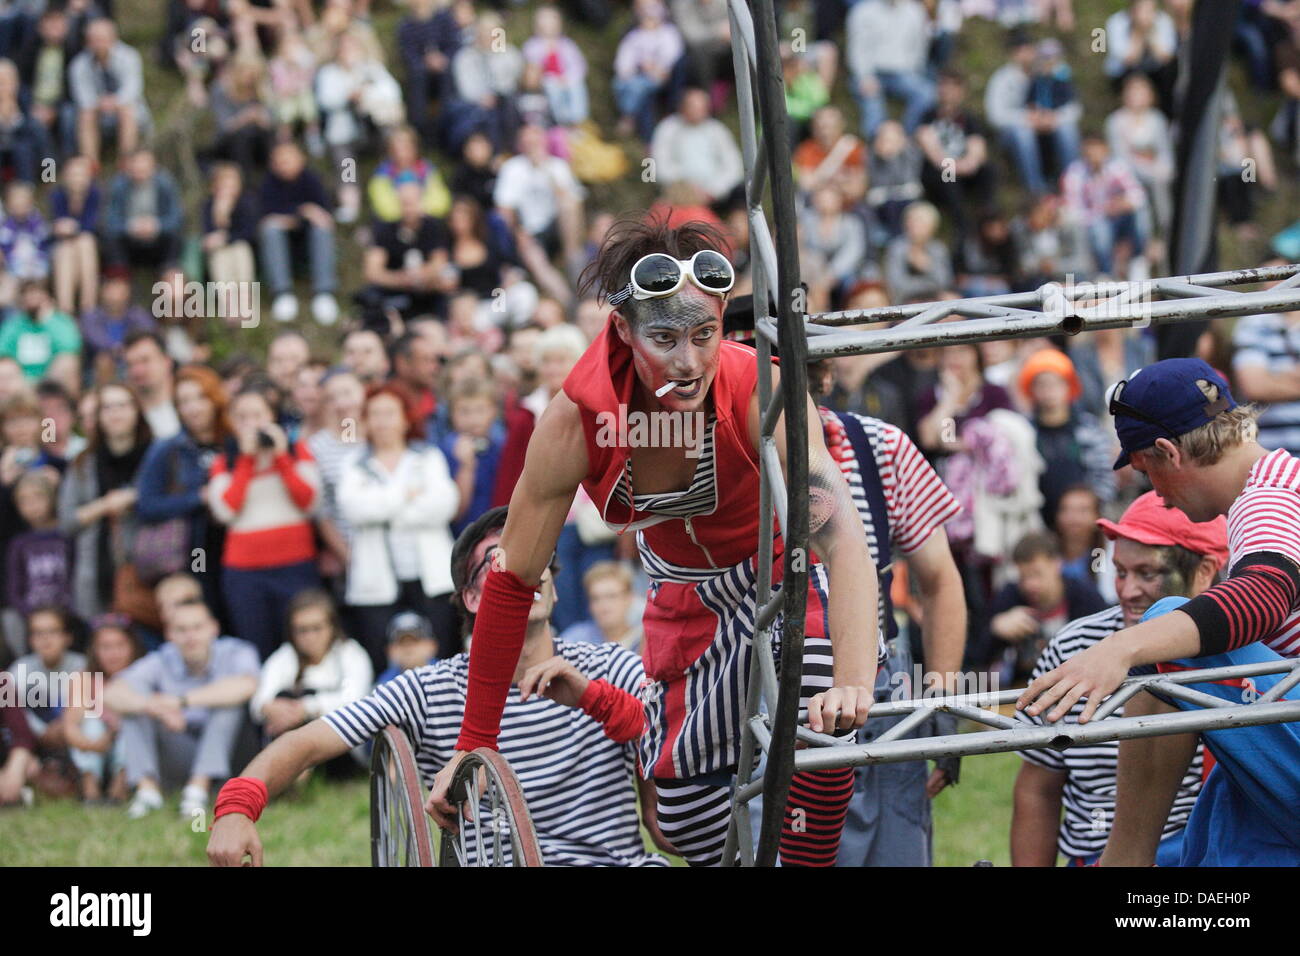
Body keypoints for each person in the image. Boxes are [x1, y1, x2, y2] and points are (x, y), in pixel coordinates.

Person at [424, 216, 880, 868]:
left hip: (780, 573)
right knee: (683, 824)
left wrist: (853, 683)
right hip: (683, 597)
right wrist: (475, 741)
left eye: (705, 335)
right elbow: (513, 577)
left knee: (823, 717)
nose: (689, 362)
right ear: (623, 332)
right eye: (664, 338)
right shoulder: (574, 421)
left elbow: (842, 543)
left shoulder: (761, 390)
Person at [207, 506, 671, 867]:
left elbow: (677, 747)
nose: (523, 567)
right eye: (500, 559)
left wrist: (597, 701)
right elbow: (306, 743)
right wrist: (236, 807)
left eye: (534, 555)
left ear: (550, 582)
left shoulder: (610, 667)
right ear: (472, 597)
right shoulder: (429, 689)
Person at [1018, 358, 1300, 865]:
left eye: (1148, 473)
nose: (1159, 498)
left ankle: (1126, 860)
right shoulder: (1281, 480)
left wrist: (1121, 647)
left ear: (1168, 452)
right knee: (1225, 811)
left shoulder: (1267, 501)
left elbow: (1265, 593)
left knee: (1167, 624)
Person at [1011, 491, 1217, 866]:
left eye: (1148, 573)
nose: (1128, 590)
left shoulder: (1241, 653)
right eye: (1120, 572)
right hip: (1097, 853)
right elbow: (1038, 788)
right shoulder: (1073, 647)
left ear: (1204, 572)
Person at [338, 382, 460, 669]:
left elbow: (444, 504)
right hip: (375, 586)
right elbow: (354, 509)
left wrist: (384, 510)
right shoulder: (353, 463)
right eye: (375, 414)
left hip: (432, 581)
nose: (382, 422)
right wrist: (405, 495)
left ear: (406, 417)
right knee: (383, 662)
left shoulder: (427, 457)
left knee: (443, 659)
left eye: (390, 413)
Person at [106, 597, 260, 820]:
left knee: (228, 704)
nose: (190, 636)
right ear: (169, 634)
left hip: (231, 754)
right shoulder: (161, 659)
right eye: (182, 629)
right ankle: (147, 793)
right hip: (179, 750)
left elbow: (246, 686)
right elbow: (112, 693)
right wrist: (153, 706)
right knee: (133, 706)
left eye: (197, 627)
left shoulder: (237, 651)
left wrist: (180, 701)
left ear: (213, 628)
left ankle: (198, 790)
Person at [207, 383, 321, 661]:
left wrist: (281, 457)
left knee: (303, 642)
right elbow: (226, 511)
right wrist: (246, 461)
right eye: (242, 417)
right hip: (246, 573)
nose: (250, 424)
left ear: (271, 417)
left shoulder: (297, 451)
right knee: (257, 647)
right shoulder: (226, 462)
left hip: (296, 566)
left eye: (257, 415)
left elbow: (309, 502)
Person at [135, 365, 230, 619]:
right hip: (195, 551)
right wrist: (198, 498)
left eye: (200, 398)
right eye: (184, 401)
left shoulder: (234, 442)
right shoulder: (168, 449)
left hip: (237, 549)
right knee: (206, 614)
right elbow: (146, 505)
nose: (193, 408)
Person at [58, 383, 152, 621]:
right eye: (107, 407)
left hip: (149, 568)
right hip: (96, 572)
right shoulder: (83, 463)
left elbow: (171, 503)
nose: (115, 413)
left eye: (122, 405)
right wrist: (104, 505)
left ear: (136, 410)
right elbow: (66, 522)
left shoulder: (157, 455)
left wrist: (135, 498)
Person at [249, 589, 372, 744]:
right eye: (302, 630)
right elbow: (259, 701)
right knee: (283, 698)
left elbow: (354, 700)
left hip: (342, 742)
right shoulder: (285, 656)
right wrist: (269, 708)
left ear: (332, 626)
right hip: (291, 731)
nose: (310, 637)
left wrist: (307, 708)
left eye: (317, 628)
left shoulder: (350, 653)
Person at [983, 530, 1107, 682]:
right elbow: (976, 657)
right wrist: (995, 629)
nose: (1030, 584)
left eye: (1037, 574)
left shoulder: (1086, 597)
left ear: (1057, 564)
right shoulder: (1010, 596)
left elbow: (1107, 649)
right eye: (1023, 577)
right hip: (1023, 690)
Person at [63, 615, 143, 803]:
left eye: (120, 645)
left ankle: (120, 786)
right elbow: (71, 727)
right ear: (94, 650)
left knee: (133, 723)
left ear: (133, 647)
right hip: (95, 748)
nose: (113, 653)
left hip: (129, 752)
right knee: (91, 721)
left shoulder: (143, 675)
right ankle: (90, 786)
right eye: (105, 647)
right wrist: (93, 744)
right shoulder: (84, 678)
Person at [258, 141, 339, 326]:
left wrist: (298, 216)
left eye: (287, 160)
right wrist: (301, 212)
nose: (283, 165)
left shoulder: (312, 180)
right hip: (281, 244)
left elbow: (325, 215)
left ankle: (324, 292)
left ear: (300, 159)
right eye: (279, 162)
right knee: (270, 231)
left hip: (309, 241)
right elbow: (266, 218)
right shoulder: (268, 184)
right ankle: (282, 292)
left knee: (322, 229)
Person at [68, 18, 149, 165]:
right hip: (98, 112)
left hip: (128, 111)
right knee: (85, 114)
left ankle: (125, 161)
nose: (99, 44)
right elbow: (83, 97)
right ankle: (91, 164)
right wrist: (99, 104)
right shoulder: (79, 64)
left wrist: (115, 101)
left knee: (127, 109)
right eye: (94, 40)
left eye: (102, 39)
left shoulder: (130, 56)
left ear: (113, 39)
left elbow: (133, 89)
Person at [558, 561, 643, 651]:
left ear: (629, 598)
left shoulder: (643, 639)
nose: (603, 606)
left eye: (611, 596)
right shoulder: (575, 639)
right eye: (595, 598)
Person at [123, 330, 179, 440]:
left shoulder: (190, 405)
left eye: (145, 361)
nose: (137, 371)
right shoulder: (125, 416)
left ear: (167, 362)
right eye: (130, 364)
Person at [375, 610, 438, 685]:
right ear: (390, 650)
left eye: (415, 640)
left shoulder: (446, 675)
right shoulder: (383, 685)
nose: (408, 647)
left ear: (431, 645)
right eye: (401, 642)